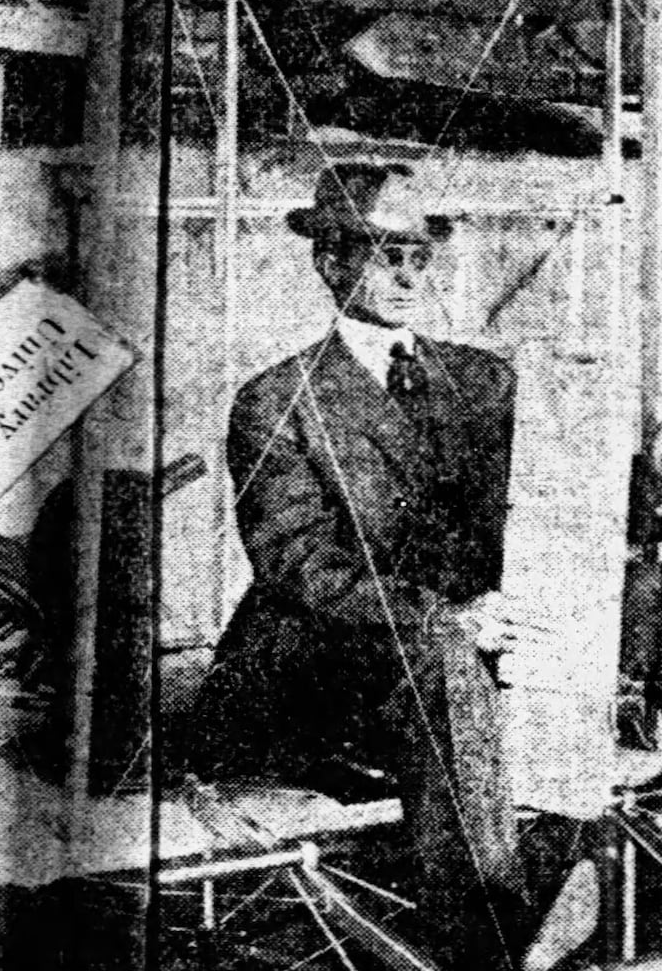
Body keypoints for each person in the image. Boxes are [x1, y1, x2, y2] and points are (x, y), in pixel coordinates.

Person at [184, 161, 542, 967]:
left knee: (660, 592)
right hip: (328, 659)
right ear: (331, 262)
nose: (409, 275)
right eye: (385, 256)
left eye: (419, 256)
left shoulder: (486, 379)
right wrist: (441, 615)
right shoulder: (277, 400)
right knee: (445, 652)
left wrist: (654, 477)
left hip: (469, 635)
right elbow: (299, 565)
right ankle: (485, 941)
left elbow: (555, 499)